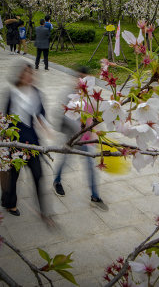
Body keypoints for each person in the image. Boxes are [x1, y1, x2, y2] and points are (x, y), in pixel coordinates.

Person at [53, 66, 108, 211]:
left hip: (87, 139)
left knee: (91, 167)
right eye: (81, 78)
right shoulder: (70, 95)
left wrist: (95, 135)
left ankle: (95, 196)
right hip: (72, 138)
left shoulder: (92, 97)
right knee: (65, 161)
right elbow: (63, 115)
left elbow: (96, 118)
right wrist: (78, 129)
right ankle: (57, 181)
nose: (83, 82)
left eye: (86, 79)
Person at [0, 62, 51, 217]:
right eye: (27, 73)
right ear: (20, 75)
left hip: (33, 141)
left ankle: (43, 209)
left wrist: (47, 128)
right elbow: (5, 119)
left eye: (32, 73)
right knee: (13, 175)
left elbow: (41, 113)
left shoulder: (36, 92)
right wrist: (4, 142)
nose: (31, 76)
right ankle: (9, 203)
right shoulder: (12, 93)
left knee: (38, 174)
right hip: (16, 142)